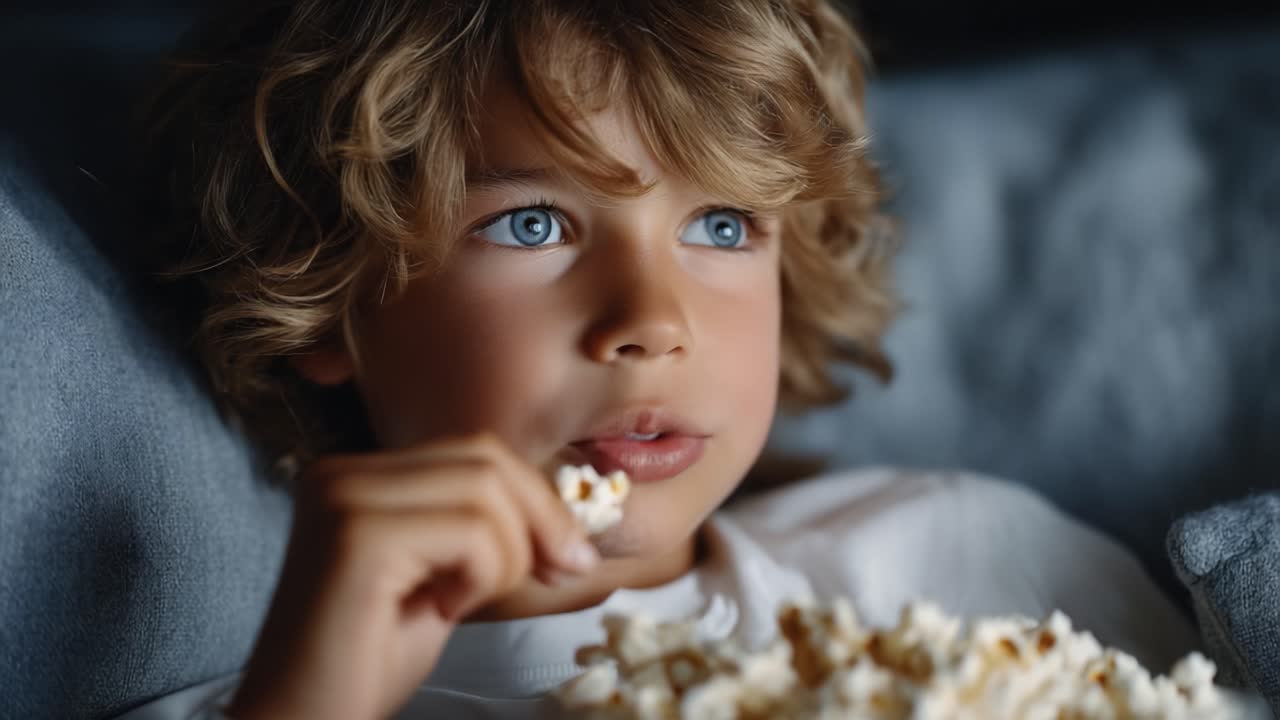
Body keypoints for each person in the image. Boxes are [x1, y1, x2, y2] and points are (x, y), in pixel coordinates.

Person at [117, 1, 1200, 718]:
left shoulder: (968, 564)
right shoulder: (277, 700)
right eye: (533, 225)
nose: (651, 320)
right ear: (324, 301)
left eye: (722, 228)